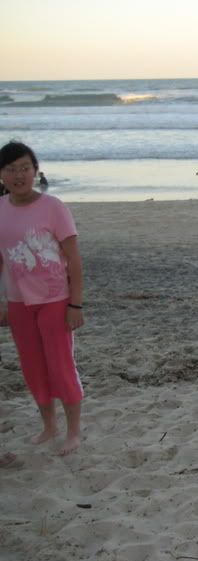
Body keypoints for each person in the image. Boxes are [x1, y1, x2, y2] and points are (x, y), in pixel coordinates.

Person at [0, 141, 85, 455]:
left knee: (60, 366)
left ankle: (73, 430)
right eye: (10, 169)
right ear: (1, 174)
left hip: (54, 300)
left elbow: (74, 260)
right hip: (18, 302)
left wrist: (75, 304)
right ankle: (49, 426)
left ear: (35, 171)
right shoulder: (0, 209)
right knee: (32, 366)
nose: (18, 175)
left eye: (25, 168)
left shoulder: (54, 207)